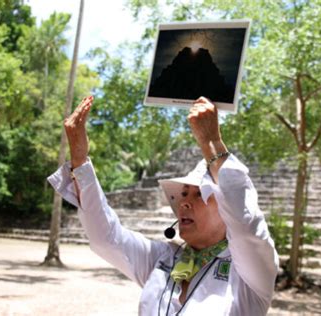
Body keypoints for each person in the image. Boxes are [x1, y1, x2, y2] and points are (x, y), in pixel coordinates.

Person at [48, 95, 279, 315]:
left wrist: (213, 142)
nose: (184, 202)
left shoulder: (250, 270)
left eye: (199, 195)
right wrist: (79, 161)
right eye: (183, 194)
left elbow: (246, 221)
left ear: (226, 208)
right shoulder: (163, 258)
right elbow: (105, 237)